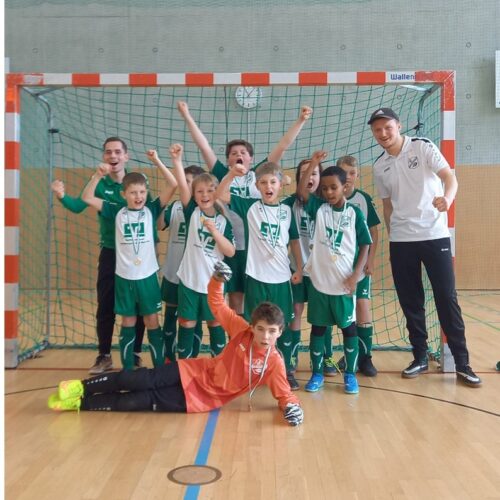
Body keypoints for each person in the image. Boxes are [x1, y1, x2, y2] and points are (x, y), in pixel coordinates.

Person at [47, 262, 304, 427]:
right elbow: (217, 305)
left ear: (280, 332)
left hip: (199, 399)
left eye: (272, 332)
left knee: (135, 402)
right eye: (261, 329)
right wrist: (217, 281)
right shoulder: (242, 331)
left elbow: (284, 394)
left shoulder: (274, 362)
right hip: (192, 370)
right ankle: (79, 388)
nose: (265, 336)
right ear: (253, 326)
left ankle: (79, 404)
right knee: (135, 379)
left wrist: (292, 408)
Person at [368, 107, 481, 386]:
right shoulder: (380, 166)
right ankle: (419, 356)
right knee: (411, 302)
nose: (383, 133)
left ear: (398, 125)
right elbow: (387, 205)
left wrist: (447, 200)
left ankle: (462, 362)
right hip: (401, 242)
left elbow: (449, 177)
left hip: (434, 236)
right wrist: (393, 235)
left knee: (446, 298)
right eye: (377, 130)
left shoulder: (422, 147)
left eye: (387, 127)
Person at [177, 101, 312, 315]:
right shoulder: (222, 174)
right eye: (233, 153)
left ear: (251, 159)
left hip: (256, 247)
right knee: (235, 299)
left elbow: (282, 146)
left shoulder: (259, 175)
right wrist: (186, 115)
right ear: (228, 160)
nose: (238, 154)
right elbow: (204, 146)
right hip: (229, 245)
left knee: (257, 300)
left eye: (243, 152)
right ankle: (239, 334)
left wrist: (301, 120)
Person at [51, 137, 146, 374]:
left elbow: (150, 213)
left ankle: (134, 354)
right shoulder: (100, 183)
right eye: (108, 152)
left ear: (126, 156)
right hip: (111, 252)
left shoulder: (138, 182)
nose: (113, 156)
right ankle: (104, 356)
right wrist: (61, 195)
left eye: (117, 152)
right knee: (106, 305)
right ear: (104, 156)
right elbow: (77, 205)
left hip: (136, 254)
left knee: (138, 306)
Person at [81, 150, 177, 369]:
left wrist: (157, 160)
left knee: (152, 321)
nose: (138, 196)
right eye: (133, 192)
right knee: (128, 321)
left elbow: (172, 184)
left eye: (142, 192)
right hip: (124, 278)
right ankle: (128, 371)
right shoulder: (115, 210)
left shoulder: (151, 208)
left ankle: (159, 370)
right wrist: (97, 176)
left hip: (147, 278)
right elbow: (86, 198)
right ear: (123, 194)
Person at [216, 161, 303, 390]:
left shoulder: (287, 211)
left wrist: (300, 268)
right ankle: (250, 370)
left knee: (283, 326)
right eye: (263, 182)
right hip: (255, 277)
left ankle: (287, 371)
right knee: (253, 326)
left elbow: (295, 241)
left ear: (280, 185)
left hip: (281, 279)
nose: (268, 186)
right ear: (257, 186)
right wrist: (232, 174)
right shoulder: (250, 207)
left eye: (273, 182)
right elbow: (220, 194)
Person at [297, 152, 372, 394]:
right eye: (325, 188)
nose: (329, 192)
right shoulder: (319, 209)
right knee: (318, 330)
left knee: (349, 330)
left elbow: (365, 244)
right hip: (320, 284)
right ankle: (317, 373)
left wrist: (355, 275)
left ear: (344, 187)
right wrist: (314, 164)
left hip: (343, 285)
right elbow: (301, 191)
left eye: (334, 187)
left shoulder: (354, 214)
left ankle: (350, 374)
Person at [169, 144, 235, 359]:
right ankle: (184, 370)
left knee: (215, 323)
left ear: (217, 193)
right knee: (187, 323)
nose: (205, 194)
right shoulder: (193, 212)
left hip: (212, 285)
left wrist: (215, 232)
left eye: (210, 190)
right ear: (194, 195)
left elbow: (230, 252)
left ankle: (220, 368)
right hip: (189, 281)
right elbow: (182, 185)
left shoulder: (224, 221)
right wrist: (177, 161)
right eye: (200, 191)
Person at [281, 159, 337, 388]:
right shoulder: (288, 205)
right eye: (305, 173)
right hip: (296, 269)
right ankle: (290, 360)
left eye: (314, 173)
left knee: (323, 316)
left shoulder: (327, 205)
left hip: (321, 272)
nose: (310, 177)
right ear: (298, 178)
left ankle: (325, 357)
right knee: (294, 312)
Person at [334, 155, 380, 377]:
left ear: (358, 175)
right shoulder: (330, 198)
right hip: (337, 265)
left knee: (362, 305)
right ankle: (348, 354)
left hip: (360, 265)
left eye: (352, 173)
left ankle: (366, 357)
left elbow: (373, 232)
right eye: (344, 173)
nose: (348, 177)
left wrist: (370, 259)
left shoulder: (363, 198)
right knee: (343, 311)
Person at [158, 164, 205, 361]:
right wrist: (160, 204)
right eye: (183, 181)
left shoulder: (205, 210)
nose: (184, 185)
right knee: (170, 313)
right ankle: (169, 357)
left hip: (195, 275)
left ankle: (191, 360)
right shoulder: (176, 206)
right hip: (174, 271)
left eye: (189, 182)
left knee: (195, 319)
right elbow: (160, 225)